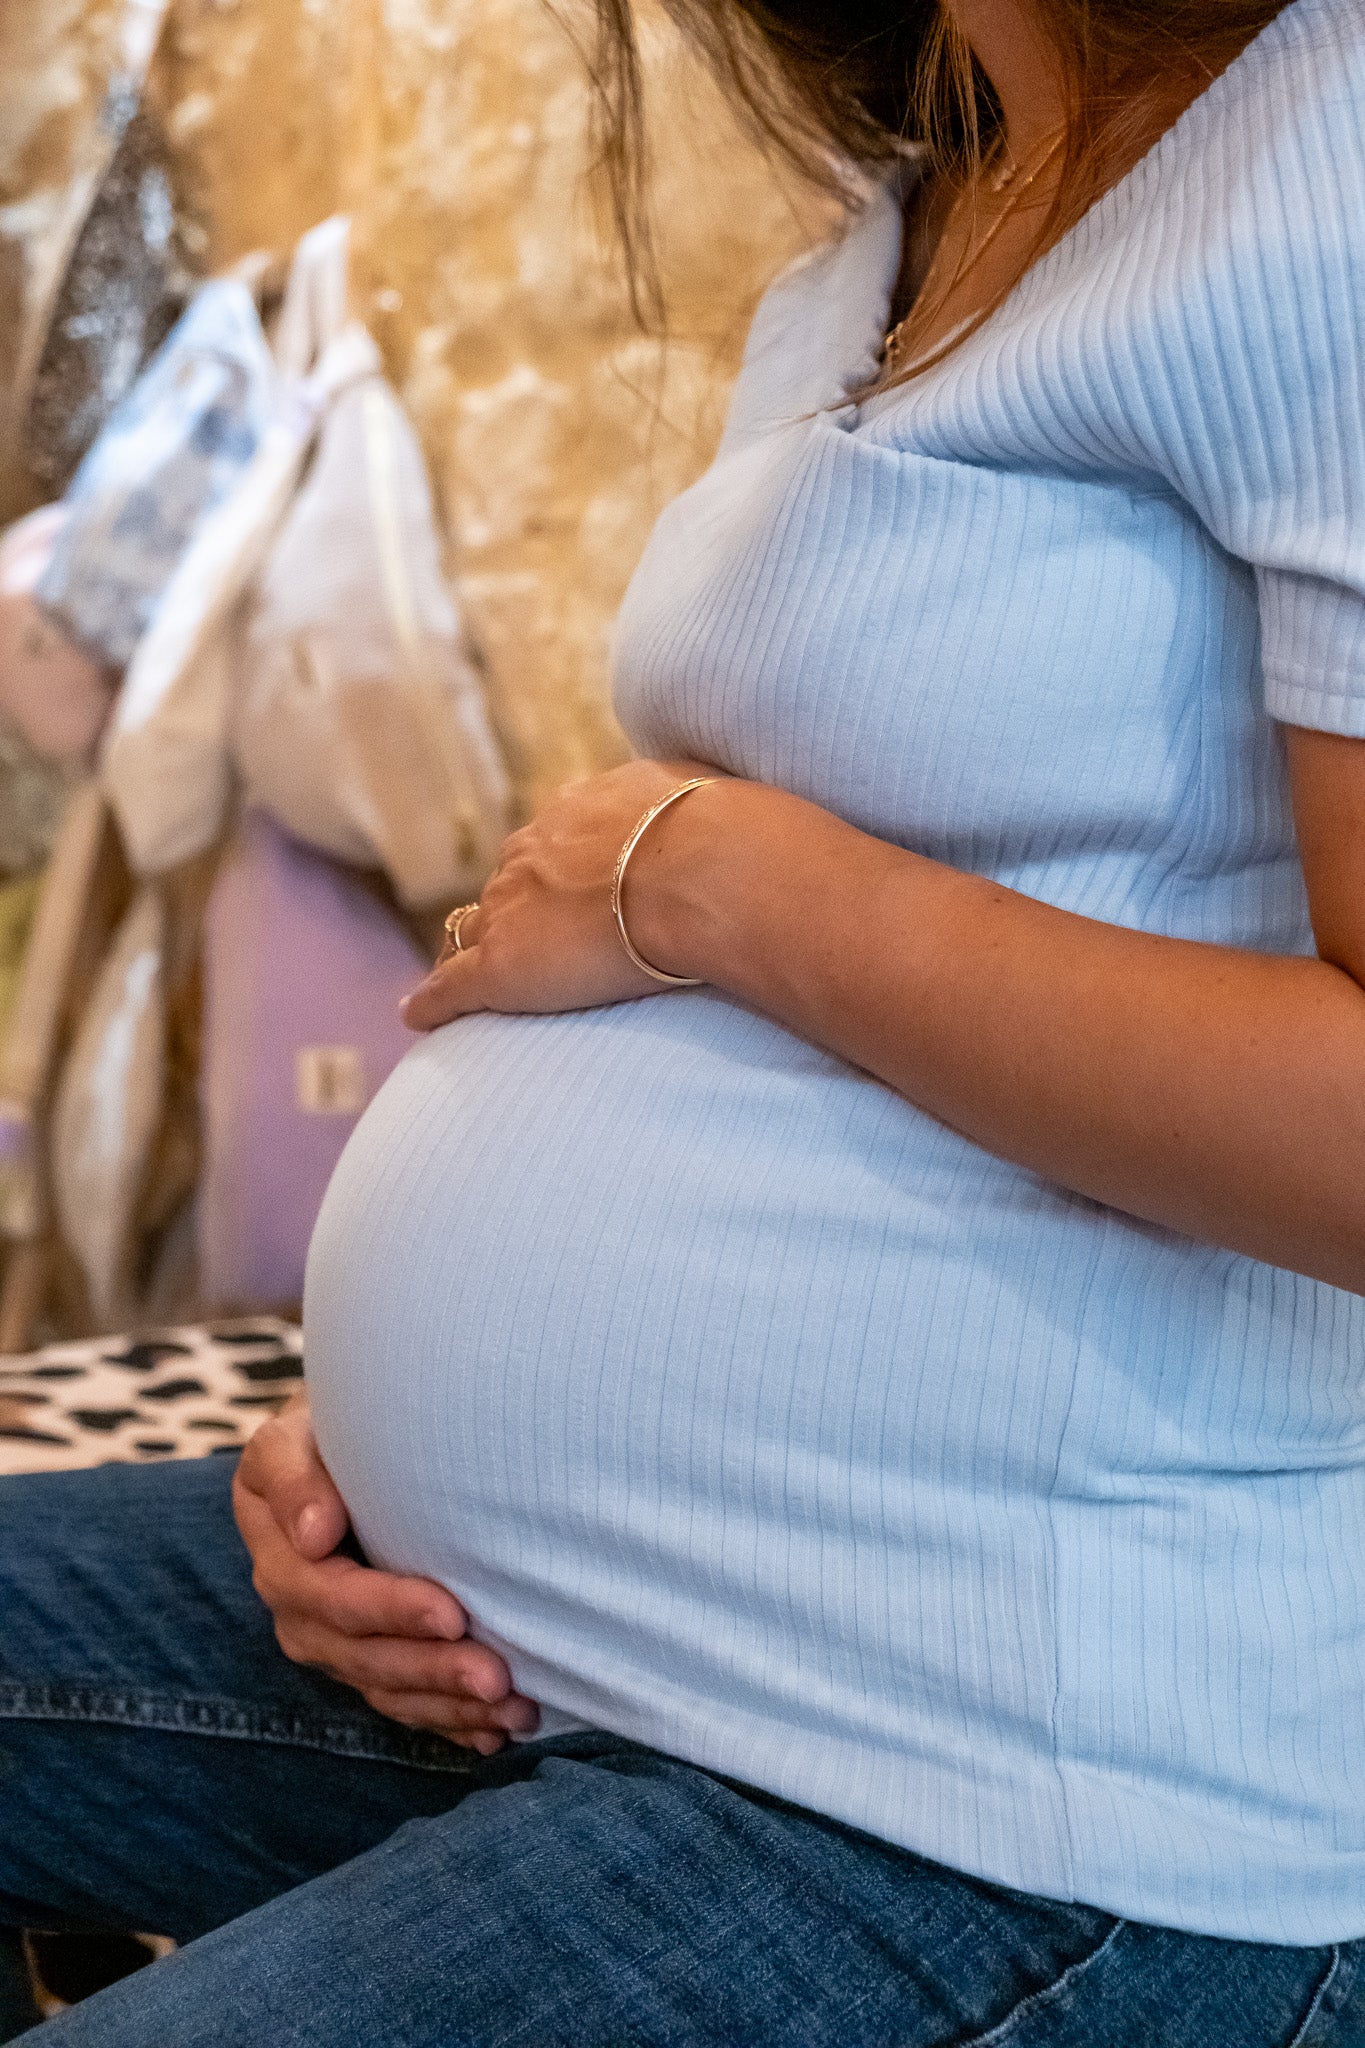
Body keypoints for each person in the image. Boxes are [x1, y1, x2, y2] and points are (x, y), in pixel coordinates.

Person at [3, 0, 1365, 2037]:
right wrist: (386, 1430)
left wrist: (720, 882)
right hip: (520, 1632)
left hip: (994, 1775)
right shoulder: (915, 193)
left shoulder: (1322, 142)